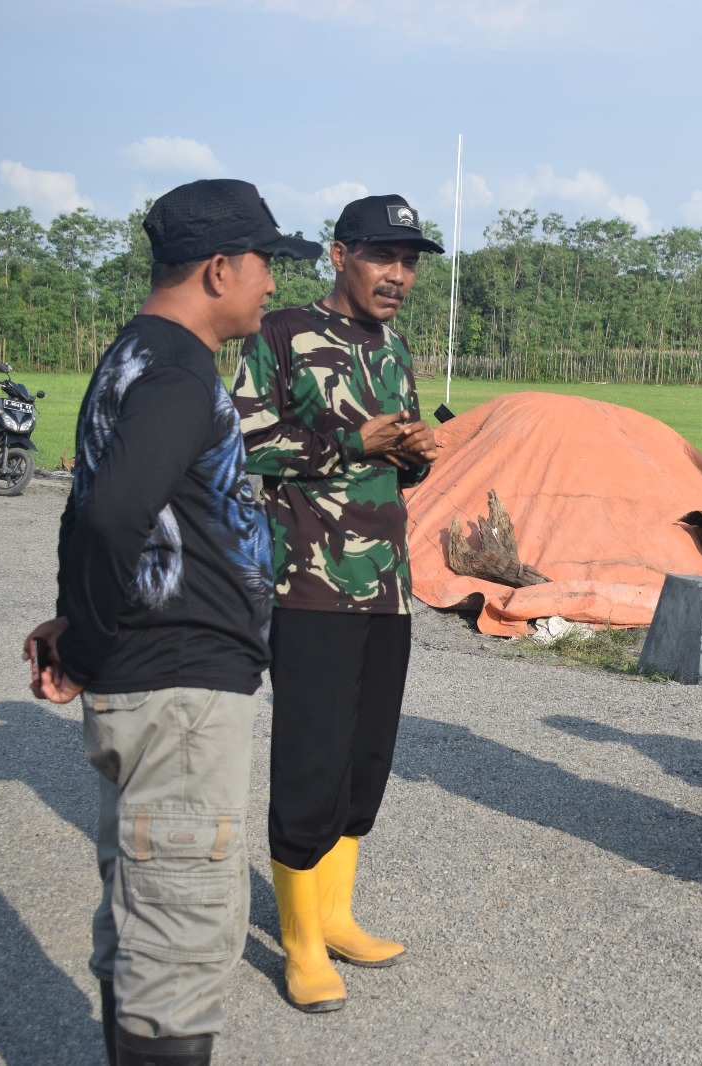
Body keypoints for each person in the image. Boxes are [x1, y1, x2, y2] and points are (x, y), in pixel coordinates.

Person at [23, 179, 320, 1066]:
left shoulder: (133, 355)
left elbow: (96, 513)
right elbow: (114, 515)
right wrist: (85, 639)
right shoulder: (183, 372)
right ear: (220, 269)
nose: (273, 286)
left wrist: (80, 620)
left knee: (145, 929)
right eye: (266, 265)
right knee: (178, 951)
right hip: (181, 695)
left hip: (155, 681)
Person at [232, 194, 442, 1012]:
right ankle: (299, 941)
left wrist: (415, 450)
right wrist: (357, 441)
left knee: (365, 756)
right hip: (309, 584)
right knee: (312, 756)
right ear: (340, 254)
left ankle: (339, 913)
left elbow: (403, 447)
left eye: (411, 260)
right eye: (384, 257)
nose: (400, 275)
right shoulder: (279, 333)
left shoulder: (394, 345)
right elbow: (247, 439)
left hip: (388, 583)